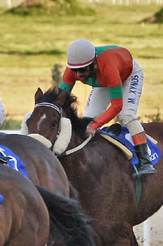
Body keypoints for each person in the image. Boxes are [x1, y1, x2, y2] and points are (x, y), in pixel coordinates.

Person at [60, 39, 155, 177]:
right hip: (105, 79)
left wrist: (96, 125)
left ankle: (145, 160)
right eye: (75, 71)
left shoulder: (107, 66)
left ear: (93, 63)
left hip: (128, 74)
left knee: (126, 115)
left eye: (83, 70)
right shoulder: (72, 70)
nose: (79, 75)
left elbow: (117, 106)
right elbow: (60, 99)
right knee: (89, 116)